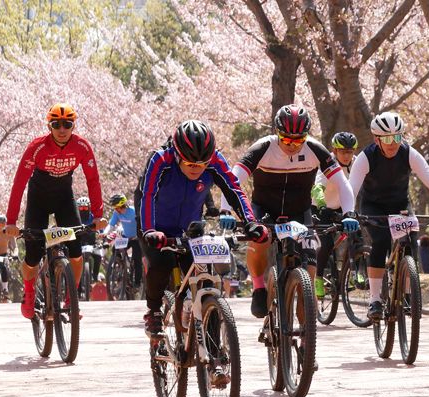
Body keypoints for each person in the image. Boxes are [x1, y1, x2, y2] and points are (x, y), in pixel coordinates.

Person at [221, 104, 360, 318]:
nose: (293, 145)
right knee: (259, 240)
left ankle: (306, 336)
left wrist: (349, 213)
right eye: (286, 140)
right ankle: (259, 287)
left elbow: (342, 182)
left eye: (298, 139)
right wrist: (225, 210)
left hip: (299, 211)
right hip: (264, 208)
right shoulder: (263, 147)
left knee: (310, 272)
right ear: (278, 134)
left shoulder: (314, 149)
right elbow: (233, 179)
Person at [135, 119, 268, 338]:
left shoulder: (215, 160)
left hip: (189, 223)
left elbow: (234, 190)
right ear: (177, 155)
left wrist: (251, 222)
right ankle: (153, 310)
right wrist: (149, 230)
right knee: (162, 262)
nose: (196, 169)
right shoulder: (160, 159)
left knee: (204, 271)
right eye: (190, 164)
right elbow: (147, 194)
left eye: (202, 164)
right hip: (155, 221)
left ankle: (212, 341)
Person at [5, 103, 107, 319]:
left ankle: (72, 298)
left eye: (67, 124)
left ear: (73, 125)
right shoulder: (37, 147)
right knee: (33, 254)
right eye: (57, 124)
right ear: (49, 125)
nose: (62, 129)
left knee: (77, 252)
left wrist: (98, 215)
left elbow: (93, 180)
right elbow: (19, 183)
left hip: (63, 198)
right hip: (38, 199)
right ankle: (30, 291)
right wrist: (11, 221)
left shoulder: (82, 147)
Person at [348, 111, 429, 320]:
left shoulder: (409, 153)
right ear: (377, 139)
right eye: (387, 138)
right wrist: (348, 213)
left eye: (398, 137)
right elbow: (352, 189)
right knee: (381, 241)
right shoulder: (366, 157)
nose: (393, 143)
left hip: (400, 204)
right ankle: (375, 299)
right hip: (373, 206)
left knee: (411, 240)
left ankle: (409, 292)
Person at [311, 131, 359, 298]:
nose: (347, 156)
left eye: (350, 151)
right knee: (326, 244)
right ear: (335, 151)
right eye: (343, 152)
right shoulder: (328, 163)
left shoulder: (356, 162)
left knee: (357, 235)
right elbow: (317, 188)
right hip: (320, 207)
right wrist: (322, 204)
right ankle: (318, 277)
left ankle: (353, 271)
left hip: (341, 207)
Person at [104, 193, 143, 291]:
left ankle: (137, 283)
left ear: (122, 205)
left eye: (117, 208)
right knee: (115, 249)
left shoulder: (134, 212)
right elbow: (111, 224)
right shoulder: (117, 213)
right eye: (115, 208)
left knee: (137, 260)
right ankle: (120, 264)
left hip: (136, 238)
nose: (116, 210)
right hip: (126, 236)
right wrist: (104, 233)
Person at [76, 197, 101, 284]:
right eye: (81, 208)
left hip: (92, 243)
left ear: (89, 207)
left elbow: (100, 227)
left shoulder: (93, 217)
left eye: (85, 208)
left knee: (98, 255)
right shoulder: (75, 218)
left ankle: (95, 275)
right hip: (79, 243)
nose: (83, 210)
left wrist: (101, 234)